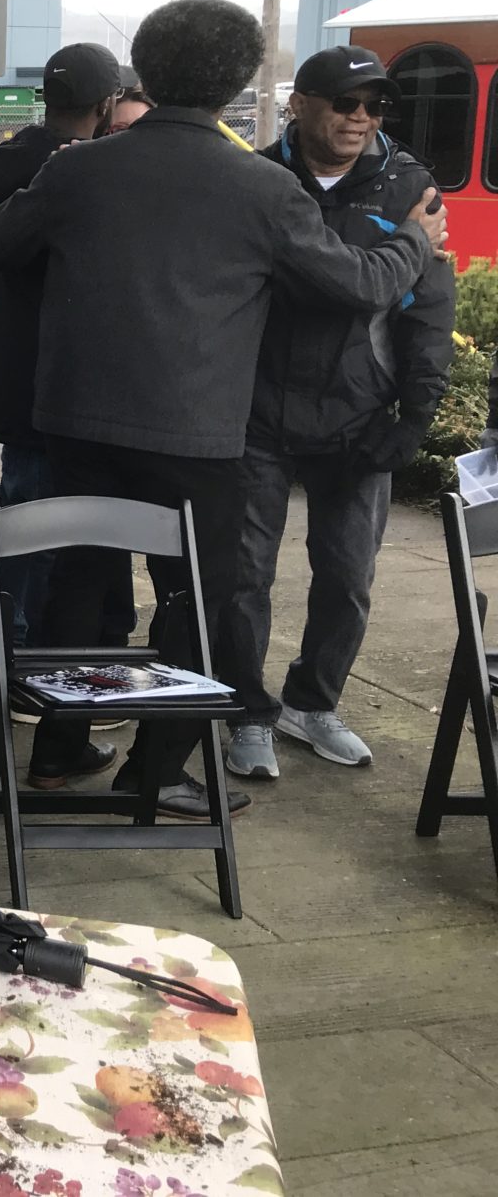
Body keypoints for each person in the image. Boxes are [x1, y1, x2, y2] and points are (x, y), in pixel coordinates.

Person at [0, 0, 447, 819]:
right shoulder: (261, 187)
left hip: (76, 424)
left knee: (81, 583)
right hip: (198, 437)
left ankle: (54, 755)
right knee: (205, 605)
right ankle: (154, 776)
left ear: (141, 75)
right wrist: (414, 241)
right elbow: (358, 284)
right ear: (238, 84)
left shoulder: (80, 168)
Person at [224, 46, 454, 780]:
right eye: (346, 102)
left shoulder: (410, 190)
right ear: (301, 104)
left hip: (359, 418)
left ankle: (312, 703)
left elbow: (429, 312)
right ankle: (248, 714)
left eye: (375, 105)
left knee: (348, 574)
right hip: (258, 418)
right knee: (243, 576)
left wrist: (413, 417)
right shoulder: (256, 179)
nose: (361, 117)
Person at [0, 44, 122, 708]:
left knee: (22, 515)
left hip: (3, 374)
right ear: (106, 104)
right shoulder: (89, 174)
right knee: (45, 528)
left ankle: (5, 649)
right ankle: (15, 662)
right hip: (60, 383)